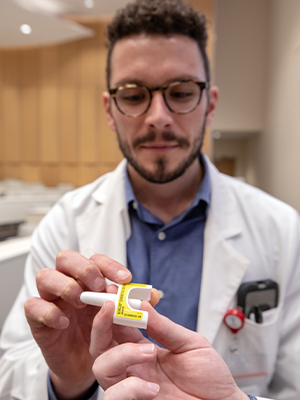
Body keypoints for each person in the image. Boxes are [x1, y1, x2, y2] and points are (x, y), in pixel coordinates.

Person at [0, 0, 300, 399]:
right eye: (134, 94)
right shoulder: (66, 223)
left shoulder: (280, 228)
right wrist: (66, 379)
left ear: (209, 104)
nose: (158, 115)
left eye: (179, 92)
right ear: (110, 110)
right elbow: (11, 371)